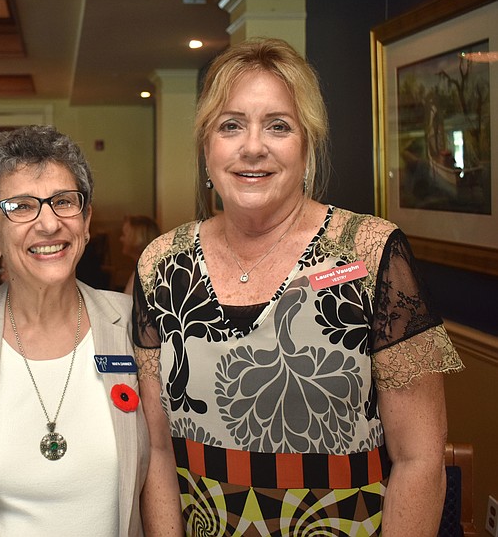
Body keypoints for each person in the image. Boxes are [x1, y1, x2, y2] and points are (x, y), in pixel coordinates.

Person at [132, 38, 464, 536]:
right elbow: (156, 451)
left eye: (278, 126)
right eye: (231, 125)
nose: (252, 146)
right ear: (207, 149)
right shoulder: (161, 265)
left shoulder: (371, 253)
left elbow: (419, 459)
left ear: (306, 146)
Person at [0, 125, 182, 535]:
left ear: (86, 220)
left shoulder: (135, 327)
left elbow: (160, 463)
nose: (48, 224)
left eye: (63, 202)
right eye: (21, 207)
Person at [119, 215, 160, 295]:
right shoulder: (145, 267)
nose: (121, 239)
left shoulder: (145, 273)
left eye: (124, 235)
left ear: (137, 238)